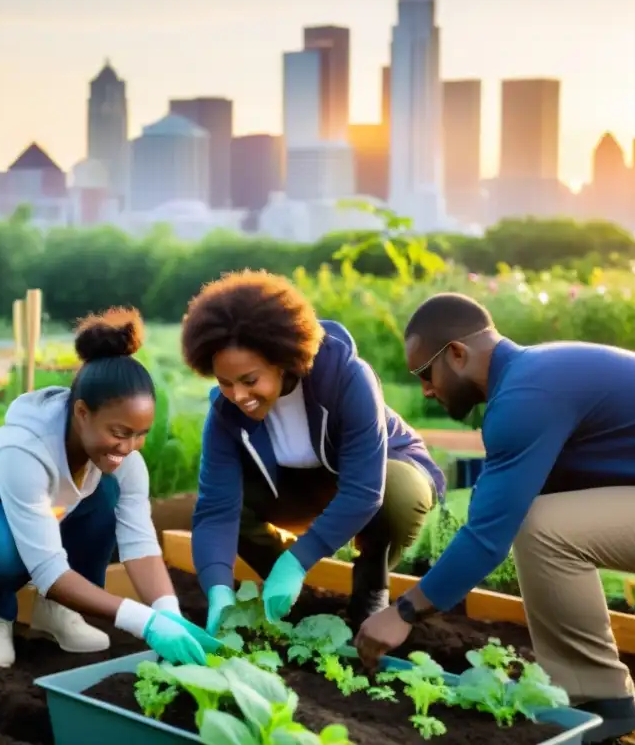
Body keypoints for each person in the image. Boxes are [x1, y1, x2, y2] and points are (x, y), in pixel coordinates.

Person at [355, 292, 635, 743]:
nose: (426, 390)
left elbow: (486, 536)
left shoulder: (526, 395)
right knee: (540, 518)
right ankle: (595, 697)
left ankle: (597, 701)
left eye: (425, 374)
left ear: (456, 354)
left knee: (542, 528)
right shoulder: (537, 377)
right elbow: (497, 503)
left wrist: (403, 611)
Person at [0, 307, 220, 671]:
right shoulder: (25, 448)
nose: (129, 446)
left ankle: (57, 611)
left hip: (27, 525)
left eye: (141, 435)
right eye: (120, 433)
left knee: (106, 497)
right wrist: (144, 622)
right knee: (0, 546)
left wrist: (168, 612)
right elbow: (47, 568)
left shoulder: (125, 462)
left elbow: (139, 544)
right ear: (81, 413)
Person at [180, 270, 445, 635]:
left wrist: (298, 560)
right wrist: (219, 593)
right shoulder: (226, 412)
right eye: (225, 382)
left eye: (250, 380)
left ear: (282, 360)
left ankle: (369, 592)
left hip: (372, 476)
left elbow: (364, 491)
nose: (238, 395)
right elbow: (215, 512)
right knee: (231, 504)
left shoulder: (346, 377)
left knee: (396, 493)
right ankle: (292, 596)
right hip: (297, 489)